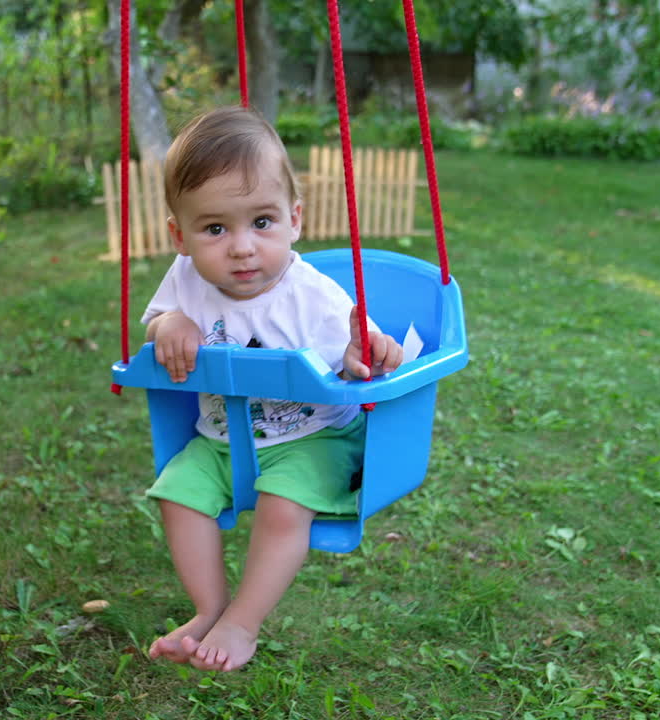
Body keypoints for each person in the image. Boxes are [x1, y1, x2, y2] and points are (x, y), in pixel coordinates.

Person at [141, 106, 413, 672]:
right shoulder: (185, 279)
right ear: (180, 236)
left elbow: (355, 349)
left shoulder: (310, 295)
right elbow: (157, 319)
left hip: (313, 441)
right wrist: (168, 326)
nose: (241, 246)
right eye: (215, 228)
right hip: (219, 441)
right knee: (175, 495)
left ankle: (243, 622)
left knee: (284, 505)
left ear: (295, 220)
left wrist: (367, 350)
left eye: (261, 222)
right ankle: (209, 606)